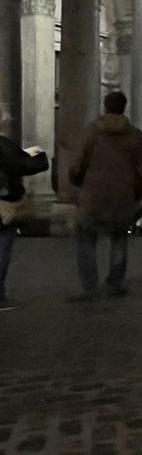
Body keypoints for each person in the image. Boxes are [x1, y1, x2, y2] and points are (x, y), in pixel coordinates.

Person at [69, 90, 142, 299]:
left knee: (86, 239)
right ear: (124, 107)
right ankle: (114, 283)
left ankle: (89, 285)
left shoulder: (91, 131)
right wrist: (137, 194)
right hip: (122, 196)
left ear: (105, 106)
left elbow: (77, 164)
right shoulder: (135, 135)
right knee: (119, 239)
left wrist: (77, 182)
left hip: (93, 195)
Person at [0, 110, 49, 310]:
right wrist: (37, 153)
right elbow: (28, 164)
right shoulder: (3, 145)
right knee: (2, 248)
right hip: (3, 204)